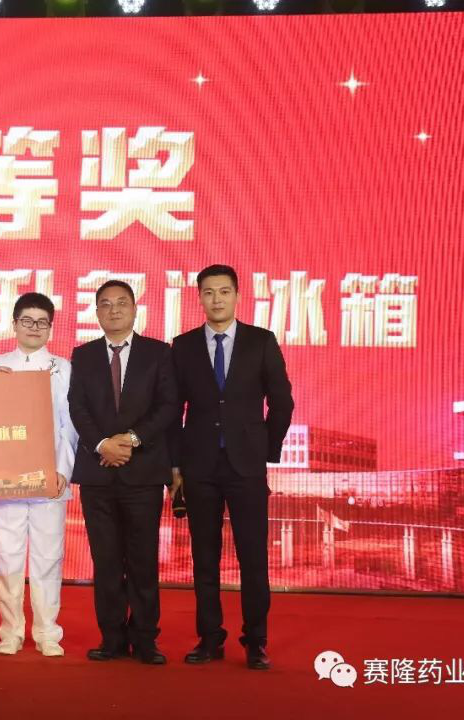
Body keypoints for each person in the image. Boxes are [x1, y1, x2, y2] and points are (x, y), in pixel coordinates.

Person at [169, 265, 293, 671]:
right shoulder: (183, 346)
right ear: (199, 298)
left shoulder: (261, 341)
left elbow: (282, 401)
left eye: (224, 291)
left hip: (246, 467)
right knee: (204, 558)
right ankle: (209, 638)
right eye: (208, 292)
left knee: (253, 559)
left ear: (237, 295)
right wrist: (175, 464)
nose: (217, 299)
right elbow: (173, 410)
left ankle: (256, 641)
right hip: (199, 466)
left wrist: (265, 449)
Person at [67, 280, 179, 665]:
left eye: (121, 303)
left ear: (134, 309)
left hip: (142, 473)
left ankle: (145, 639)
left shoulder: (158, 353)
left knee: (143, 560)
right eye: (105, 304)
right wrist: (103, 444)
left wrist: (130, 439)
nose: (113, 310)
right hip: (98, 475)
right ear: (96, 312)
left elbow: (168, 406)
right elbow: (77, 408)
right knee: (107, 562)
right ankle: (112, 638)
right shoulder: (83, 356)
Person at [0, 292, 76, 657]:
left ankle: (48, 632)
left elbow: (69, 425)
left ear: (50, 328)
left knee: (48, 557)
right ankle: (11, 631)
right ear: (14, 324)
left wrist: (63, 469)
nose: (34, 328)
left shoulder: (63, 368)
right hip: (6, 477)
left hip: (49, 477)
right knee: (6, 556)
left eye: (41, 322)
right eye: (27, 321)